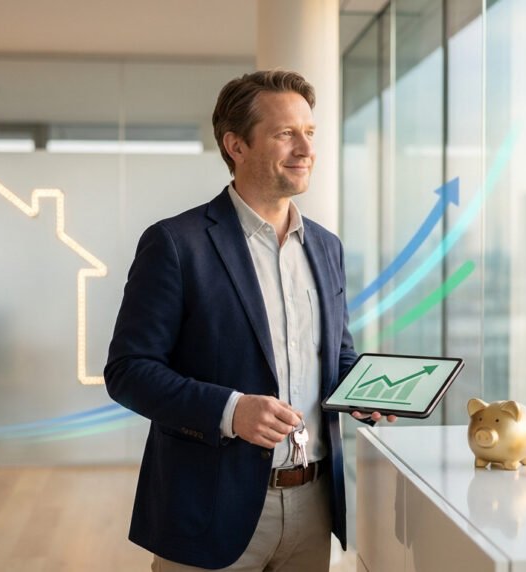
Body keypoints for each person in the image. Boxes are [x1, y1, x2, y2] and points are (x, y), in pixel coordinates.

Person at [104, 69, 395, 572]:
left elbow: (336, 354)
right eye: (286, 134)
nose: (305, 148)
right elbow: (128, 371)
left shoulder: (326, 247)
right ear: (236, 145)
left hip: (314, 503)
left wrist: (369, 389)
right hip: (208, 507)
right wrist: (230, 410)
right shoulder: (176, 243)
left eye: (309, 132)